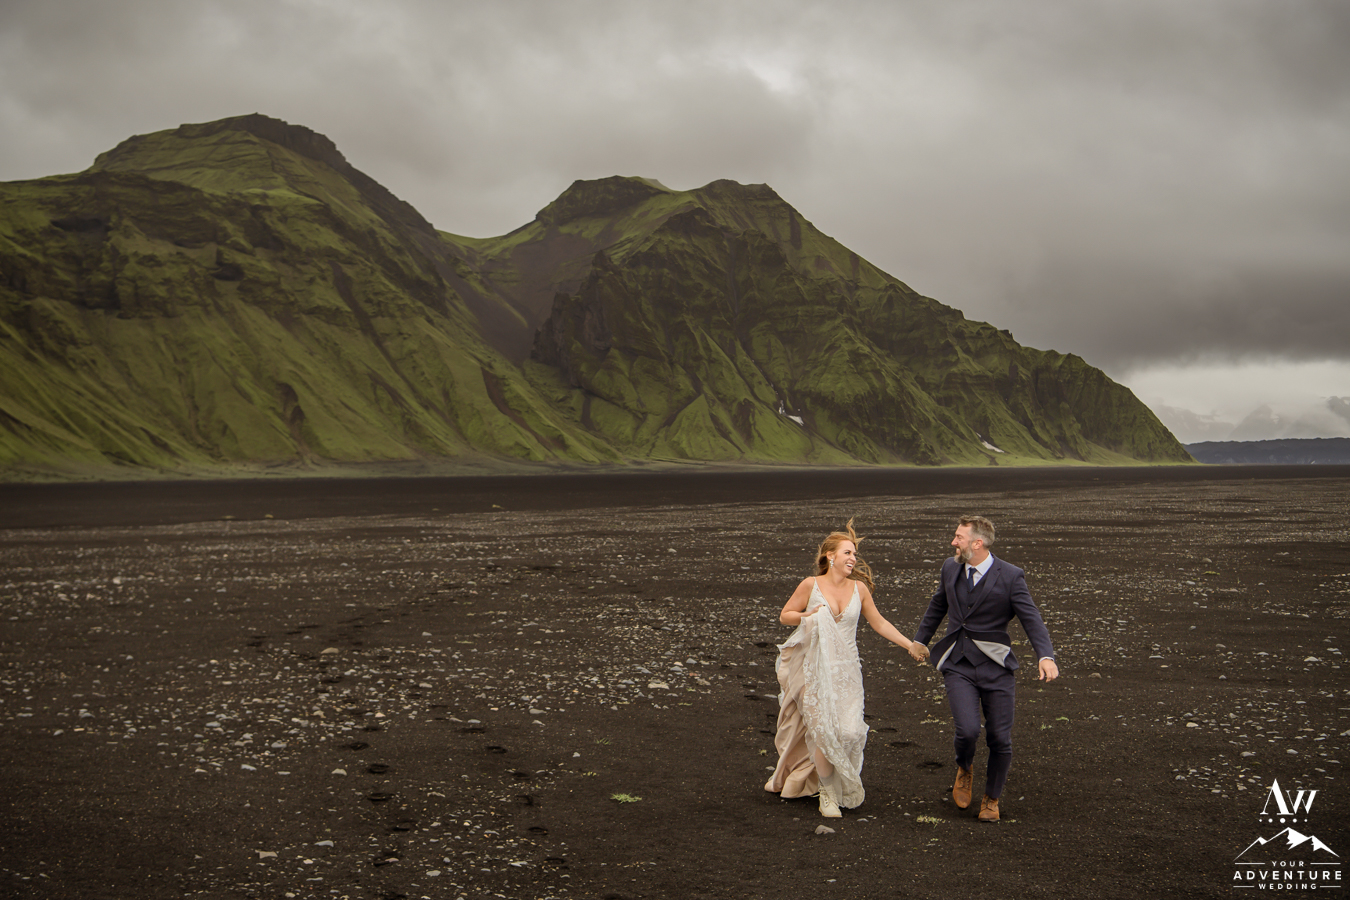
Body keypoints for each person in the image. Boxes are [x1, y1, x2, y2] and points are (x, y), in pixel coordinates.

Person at [764, 519, 929, 818]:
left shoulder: (859, 589)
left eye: (854, 554)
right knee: (824, 731)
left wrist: (910, 645)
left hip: (847, 670)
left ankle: (830, 779)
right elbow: (785, 615)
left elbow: (879, 622)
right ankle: (827, 793)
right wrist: (808, 615)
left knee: (850, 732)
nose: (853, 558)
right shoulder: (811, 585)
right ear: (831, 556)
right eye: (847, 553)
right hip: (813, 669)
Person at [908, 515, 1058, 823]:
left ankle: (992, 797)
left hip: (997, 667)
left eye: (959, 538)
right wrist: (920, 640)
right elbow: (938, 605)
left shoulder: (1011, 576)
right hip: (958, 664)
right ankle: (965, 768)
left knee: (999, 738)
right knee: (967, 730)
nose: (953, 542)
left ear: (977, 543)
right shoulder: (950, 568)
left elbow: (1031, 618)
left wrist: (1045, 656)